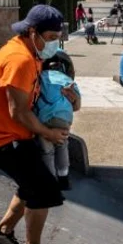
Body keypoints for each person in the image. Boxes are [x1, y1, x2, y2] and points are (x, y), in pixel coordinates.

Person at [0, 4, 79, 244]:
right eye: (50, 38)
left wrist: (68, 99)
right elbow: (18, 112)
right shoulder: (20, 59)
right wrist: (49, 133)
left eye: (58, 37)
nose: (54, 43)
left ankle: (0, 233)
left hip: (13, 134)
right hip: (2, 139)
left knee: (31, 183)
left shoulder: (31, 52)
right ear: (32, 32)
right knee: (44, 190)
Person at [36, 50, 81, 192]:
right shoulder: (68, 81)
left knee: (47, 151)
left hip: (43, 118)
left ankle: (51, 181)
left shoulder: (40, 76)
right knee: (62, 145)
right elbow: (76, 106)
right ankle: (64, 177)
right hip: (63, 118)